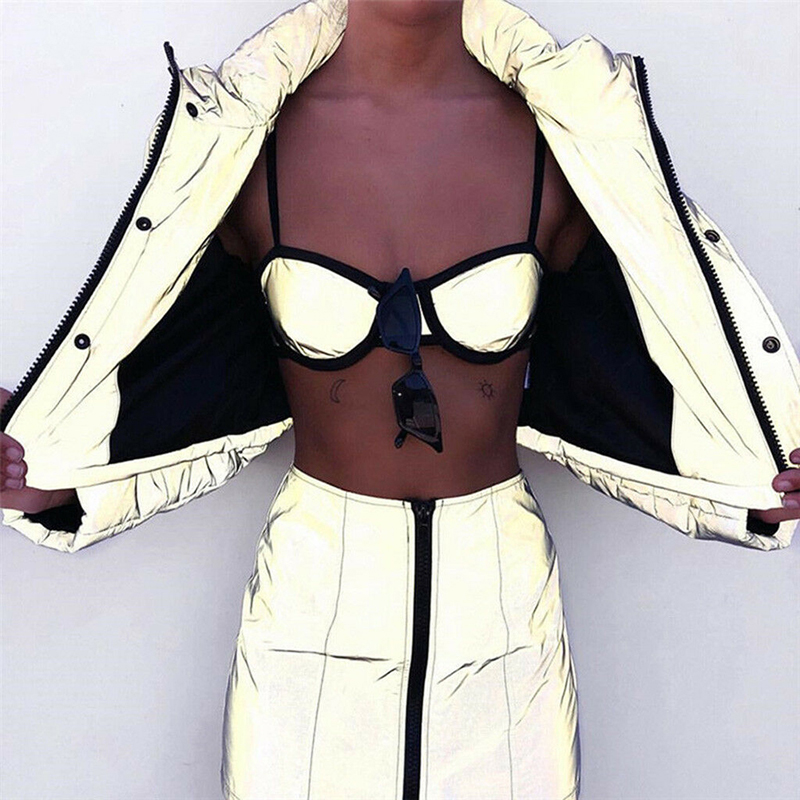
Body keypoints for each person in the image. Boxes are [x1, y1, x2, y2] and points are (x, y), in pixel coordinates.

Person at [1, 0, 798, 798]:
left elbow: (635, 374)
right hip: (311, 609)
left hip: (503, 614)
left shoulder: (564, 144)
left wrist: (743, 486)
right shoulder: (241, 146)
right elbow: (178, 388)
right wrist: (62, 475)